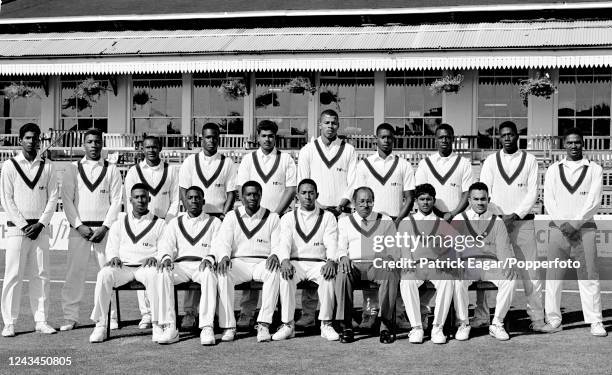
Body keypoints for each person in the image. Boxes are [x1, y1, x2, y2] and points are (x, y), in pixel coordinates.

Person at [344, 122, 415, 330]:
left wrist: (397, 220)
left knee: (393, 268)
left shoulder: (404, 165)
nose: (386, 140)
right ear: (376, 139)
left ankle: (397, 313)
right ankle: (369, 313)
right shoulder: (364, 165)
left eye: (390, 137)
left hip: (395, 222)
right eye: (382, 137)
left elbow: (409, 197)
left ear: (394, 139)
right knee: (369, 263)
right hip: (369, 222)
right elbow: (358, 194)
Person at [479, 121, 545, 331]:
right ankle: (482, 317)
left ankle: (537, 319)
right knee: (488, 269)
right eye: (503, 135)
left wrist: (514, 215)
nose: (507, 138)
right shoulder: (490, 161)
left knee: (530, 272)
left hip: (523, 223)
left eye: (511, 134)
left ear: (518, 136)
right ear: (499, 137)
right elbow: (483, 191)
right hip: (497, 225)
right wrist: (499, 218)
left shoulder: (530, 160)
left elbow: (533, 192)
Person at [541, 127, 606, 337]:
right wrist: (563, 224)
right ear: (564, 145)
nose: (573, 146)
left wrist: (575, 224)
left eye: (577, 142)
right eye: (569, 142)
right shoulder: (553, 169)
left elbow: (594, 201)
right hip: (558, 230)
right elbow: (549, 200)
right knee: (553, 278)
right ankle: (553, 320)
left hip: (584, 230)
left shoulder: (595, 169)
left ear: (583, 144)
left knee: (589, 276)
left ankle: (595, 320)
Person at [297, 109, 357, 329]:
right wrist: (319, 206)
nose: (330, 126)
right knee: (313, 260)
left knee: (340, 261)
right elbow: (303, 181)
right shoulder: (307, 151)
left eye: (334, 123)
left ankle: (337, 312)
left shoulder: (349, 150)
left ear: (338, 125)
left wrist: (342, 203)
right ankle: (309, 311)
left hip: (342, 214)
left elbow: (353, 181)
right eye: (326, 122)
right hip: (316, 213)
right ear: (319, 125)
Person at [235, 120, 297, 330]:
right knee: (251, 261)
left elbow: (291, 189)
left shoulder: (286, 159)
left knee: (276, 265)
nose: (267, 139)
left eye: (271, 135)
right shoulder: (248, 160)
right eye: (264, 135)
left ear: (275, 137)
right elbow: (242, 188)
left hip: (278, 219)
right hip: (253, 219)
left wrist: (276, 214)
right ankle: (247, 311)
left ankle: (276, 312)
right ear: (258, 137)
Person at [60, 128, 123, 332]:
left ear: (102, 144)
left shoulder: (112, 169)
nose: (94, 145)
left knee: (107, 275)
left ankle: (109, 316)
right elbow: (67, 200)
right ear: (83, 144)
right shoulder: (72, 168)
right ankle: (70, 317)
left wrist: (105, 227)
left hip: (104, 232)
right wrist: (79, 226)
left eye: (97, 142)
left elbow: (117, 201)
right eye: (89, 141)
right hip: (79, 231)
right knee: (74, 275)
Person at [88, 183, 166, 343]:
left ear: (149, 199)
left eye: (144, 197)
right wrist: (113, 257)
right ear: (130, 200)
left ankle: (157, 324)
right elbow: (111, 247)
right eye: (136, 197)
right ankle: (101, 325)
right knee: (104, 274)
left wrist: (157, 258)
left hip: (146, 267)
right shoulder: (119, 222)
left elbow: (166, 248)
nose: (140, 200)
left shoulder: (160, 223)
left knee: (156, 275)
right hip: (123, 268)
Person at [1, 123, 59, 337]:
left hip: (41, 230)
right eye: (27, 138)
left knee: (41, 275)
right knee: (13, 275)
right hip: (18, 231)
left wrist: (41, 224)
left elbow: (53, 198)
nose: (31, 141)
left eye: (35, 138)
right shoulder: (9, 166)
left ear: (40, 141)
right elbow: (6, 199)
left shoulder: (49, 166)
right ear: (20, 140)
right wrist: (24, 225)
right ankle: (9, 322)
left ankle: (41, 319)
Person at [178, 122, 237, 329]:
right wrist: (192, 214)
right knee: (195, 263)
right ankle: (190, 313)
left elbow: (231, 193)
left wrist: (224, 215)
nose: (211, 140)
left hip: (218, 221)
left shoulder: (227, 163)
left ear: (219, 138)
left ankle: (216, 313)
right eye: (207, 137)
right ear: (201, 138)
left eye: (215, 137)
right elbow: (184, 191)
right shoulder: (189, 162)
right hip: (196, 219)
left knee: (217, 267)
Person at [414, 123, 473, 328]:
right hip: (430, 222)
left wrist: (452, 214)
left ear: (453, 138)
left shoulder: (463, 163)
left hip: (455, 223)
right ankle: (423, 314)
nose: (444, 140)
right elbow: (421, 191)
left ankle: (457, 320)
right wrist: (439, 214)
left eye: (448, 137)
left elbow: (466, 193)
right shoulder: (425, 163)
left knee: (452, 272)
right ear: (435, 139)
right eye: (441, 137)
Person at [213, 181, 283, 342]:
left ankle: (264, 324)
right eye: (249, 194)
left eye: (256, 194)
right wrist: (224, 256)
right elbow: (223, 242)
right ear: (242, 197)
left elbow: (278, 243)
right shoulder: (232, 216)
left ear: (261, 195)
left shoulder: (272, 217)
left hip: (262, 263)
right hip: (239, 263)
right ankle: (229, 326)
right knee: (223, 273)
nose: (253, 197)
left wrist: (275, 255)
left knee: (274, 271)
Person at [124, 135, 179, 330]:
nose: (151, 150)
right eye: (147, 147)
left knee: (163, 269)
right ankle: (146, 314)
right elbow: (128, 199)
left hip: (165, 226)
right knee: (142, 265)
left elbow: (175, 199)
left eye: (155, 147)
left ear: (160, 148)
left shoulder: (171, 170)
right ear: (142, 149)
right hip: (142, 225)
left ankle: (163, 311)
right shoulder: (133, 171)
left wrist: (169, 222)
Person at [155, 186, 222, 345]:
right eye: (190, 198)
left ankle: (206, 326)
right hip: (181, 266)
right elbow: (166, 245)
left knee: (209, 273)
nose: (193, 201)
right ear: (184, 201)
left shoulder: (214, 222)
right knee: (163, 273)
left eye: (197, 198)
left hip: (202, 264)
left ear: (203, 201)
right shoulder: (175, 223)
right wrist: (166, 257)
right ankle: (170, 326)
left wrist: (211, 258)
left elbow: (219, 245)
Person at [274, 179, 339, 341]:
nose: (308, 196)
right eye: (303, 193)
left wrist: (331, 260)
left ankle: (326, 324)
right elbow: (284, 242)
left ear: (317, 195)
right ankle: (288, 324)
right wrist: (284, 260)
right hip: (296, 263)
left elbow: (332, 241)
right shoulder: (288, 218)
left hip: (319, 263)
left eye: (311, 193)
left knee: (329, 276)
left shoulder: (328, 217)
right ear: (297, 197)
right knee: (284, 276)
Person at [335, 187, 400, 344]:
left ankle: (385, 325)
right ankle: (346, 326)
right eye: (361, 201)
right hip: (354, 265)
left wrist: (390, 258)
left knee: (390, 273)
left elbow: (394, 248)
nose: (366, 205)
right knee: (342, 273)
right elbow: (341, 246)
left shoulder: (385, 220)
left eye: (369, 201)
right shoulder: (345, 221)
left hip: (376, 264)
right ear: (354, 204)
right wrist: (343, 257)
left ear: (373, 201)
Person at [453, 182, 517, 341]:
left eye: (483, 199)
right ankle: (464, 323)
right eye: (476, 199)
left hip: (490, 264)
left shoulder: (497, 221)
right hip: (469, 265)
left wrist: (507, 263)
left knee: (510, 278)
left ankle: (497, 323)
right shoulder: (459, 219)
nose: (480, 202)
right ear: (469, 200)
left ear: (488, 199)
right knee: (456, 278)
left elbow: (504, 247)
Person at [398, 183, 455, 344]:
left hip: (434, 266)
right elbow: (404, 247)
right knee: (407, 281)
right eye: (422, 199)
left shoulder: (441, 223)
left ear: (433, 200)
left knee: (447, 281)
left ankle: (437, 327)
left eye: (429, 199)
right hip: (415, 266)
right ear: (416, 201)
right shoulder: (406, 222)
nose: (425, 203)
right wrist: (408, 263)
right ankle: (416, 328)